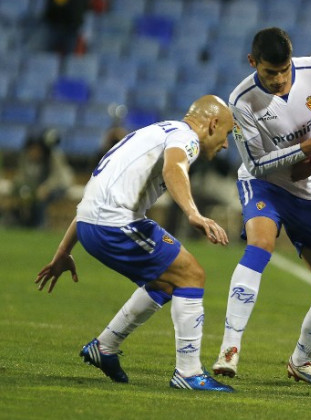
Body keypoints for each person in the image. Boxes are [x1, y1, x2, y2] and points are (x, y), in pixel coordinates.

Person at [34, 95, 236, 392]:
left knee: (166, 282)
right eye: (227, 135)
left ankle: (105, 347)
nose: (226, 144)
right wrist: (193, 213)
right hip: (115, 224)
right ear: (213, 124)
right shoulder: (187, 137)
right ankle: (189, 373)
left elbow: (94, 196)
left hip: (88, 223)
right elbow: (175, 168)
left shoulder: (151, 133)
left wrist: (63, 251)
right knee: (191, 274)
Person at [211, 27, 311, 387]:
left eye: (284, 70)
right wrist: (307, 147)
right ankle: (229, 348)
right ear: (252, 62)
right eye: (270, 72)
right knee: (260, 244)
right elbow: (256, 165)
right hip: (266, 186)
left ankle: (302, 361)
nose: (279, 79)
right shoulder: (241, 101)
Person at [12, 129, 75, 228]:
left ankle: (41, 225)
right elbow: (22, 176)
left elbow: (57, 178)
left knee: (42, 199)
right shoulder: (25, 157)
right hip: (38, 188)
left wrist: (46, 188)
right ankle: (24, 224)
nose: (34, 152)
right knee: (28, 197)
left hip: (60, 186)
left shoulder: (54, 155)